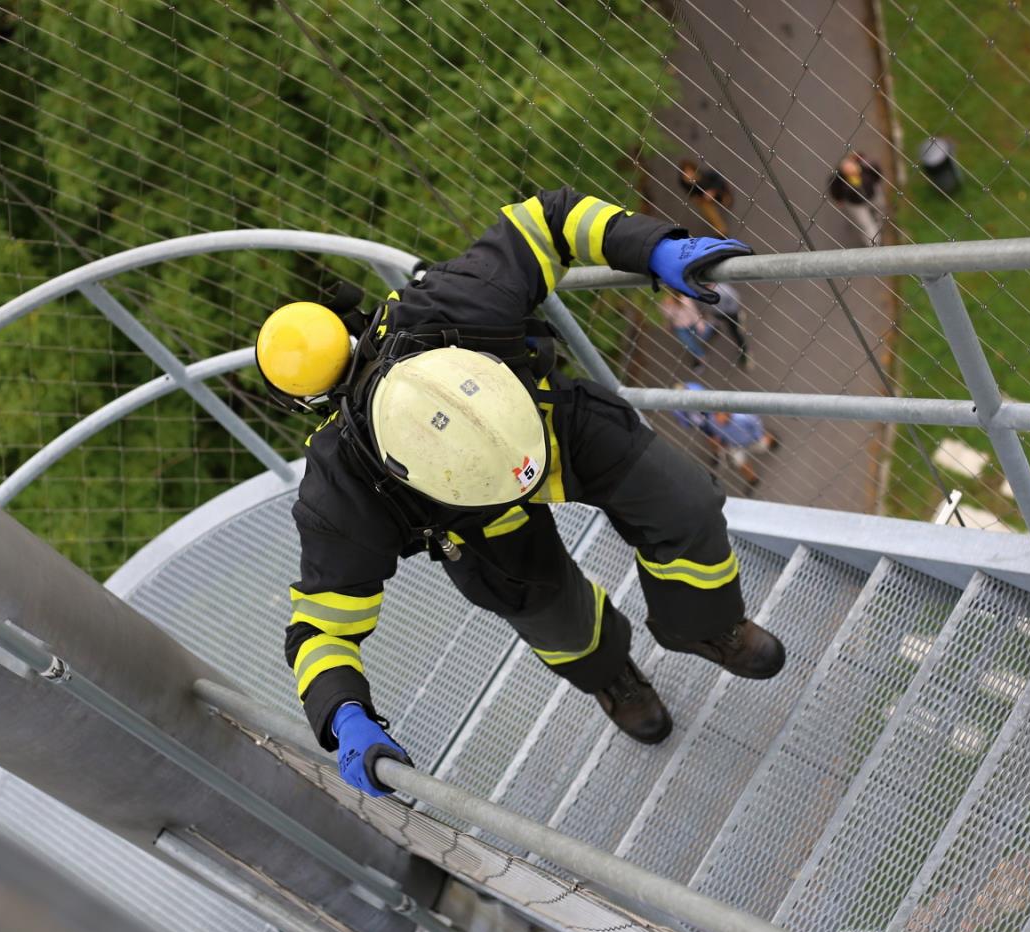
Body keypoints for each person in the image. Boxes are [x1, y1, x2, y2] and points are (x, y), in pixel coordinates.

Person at [255, 188, 788, 797]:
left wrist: (656, 249)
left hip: (554, 430)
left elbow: (548, 220)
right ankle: (613, 676)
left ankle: (702, 624)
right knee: (554, 617)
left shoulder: (440, 316)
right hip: (480, 524)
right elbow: (546, 221)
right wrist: (344, 717)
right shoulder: (348, 470)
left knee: (685, 508)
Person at [708, 410, 779, 490]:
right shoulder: (712, 422)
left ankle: (770, 437)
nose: (718, 420)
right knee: (738, 462)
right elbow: (718, 435)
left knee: (763, 445)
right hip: (735, 446)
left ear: (727, 413)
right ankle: (753, 479)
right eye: (716, 417)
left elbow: (756, 423)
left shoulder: (742, 418)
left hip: (752, 440)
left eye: (720, 416)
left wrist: (758, 436)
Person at [827, 151, 886, 246]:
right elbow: (834, 188)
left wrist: (866, 164)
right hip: (856, 204)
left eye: (852, 165)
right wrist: (838, 199)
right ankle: (873, 243)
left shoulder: (865, 167)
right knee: (866, 225)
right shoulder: (839, 179)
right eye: (847, 169)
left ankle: (878, 223)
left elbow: (877, 172)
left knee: (880, 209)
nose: (851, 170)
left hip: (873, 195)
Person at [677, 158, 734, 237]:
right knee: (706, 208)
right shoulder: (685, 183)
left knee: (725, 200)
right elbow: (692, 195)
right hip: (703, 198)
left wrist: (713, 191)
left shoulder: (705, 174)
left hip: (717, 192)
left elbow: (719, 181)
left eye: (690, 172)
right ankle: (721, 229)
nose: (688, 175)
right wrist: (693, 187)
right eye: (685, 173)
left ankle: (725, 198)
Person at [660, 290, 711, 369]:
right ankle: (701, 357)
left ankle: (711, 327)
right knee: (689, 343)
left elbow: (693, 312)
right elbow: (667, 317)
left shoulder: (683, 299)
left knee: (703, 334)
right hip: (680, 327)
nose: (666, 299)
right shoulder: (664, 305)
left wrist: (699, 323)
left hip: (691, 323)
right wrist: (667, 323)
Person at [705, 281, 750, 367]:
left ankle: (744, 352)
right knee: (717, 323)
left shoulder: (723, 290)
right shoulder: (701, 292)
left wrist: (733, 311)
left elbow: (735, 297)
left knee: (736, 332)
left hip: (730, 313)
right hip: (717, 313)